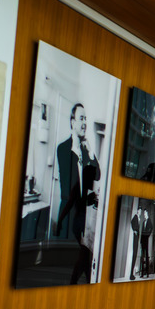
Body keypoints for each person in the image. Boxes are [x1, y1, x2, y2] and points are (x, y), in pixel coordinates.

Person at [56, 103, 100, 285]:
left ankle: (80, 283)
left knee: (86, 255)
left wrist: (90, 152)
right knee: (80, 257)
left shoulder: (84, 150)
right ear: (72, 122)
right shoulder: (64, 149)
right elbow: (69, 188)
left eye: (86, 119)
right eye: (81, 118)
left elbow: (97, 174)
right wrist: (78, 150)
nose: (85, 123)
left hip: (84, 215)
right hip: (71, 216)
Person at [129, 206, 142, 280]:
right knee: (134, 254)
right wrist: (134, 230)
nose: (140, 212)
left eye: (140, 211)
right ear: (137, 211)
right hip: (135, 236)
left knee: (135, 254)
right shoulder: (135, 217)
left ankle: (132, 274)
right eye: (139, 211)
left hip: (137, 237)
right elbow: (131, 222)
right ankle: (131, 274)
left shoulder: (139, 218)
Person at [139, 208, 152, 277]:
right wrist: (141, 240)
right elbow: (142, 232)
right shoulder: (144, 222)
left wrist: (147, 235)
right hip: (143, 240)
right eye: (143, 213)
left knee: (146, 256)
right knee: (142, 256)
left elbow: (151, 229)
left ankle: (147, 273)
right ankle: (142, 273)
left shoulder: (149, 221)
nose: (144, 215)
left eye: (144, 213)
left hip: (146, 240)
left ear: (147, 213)